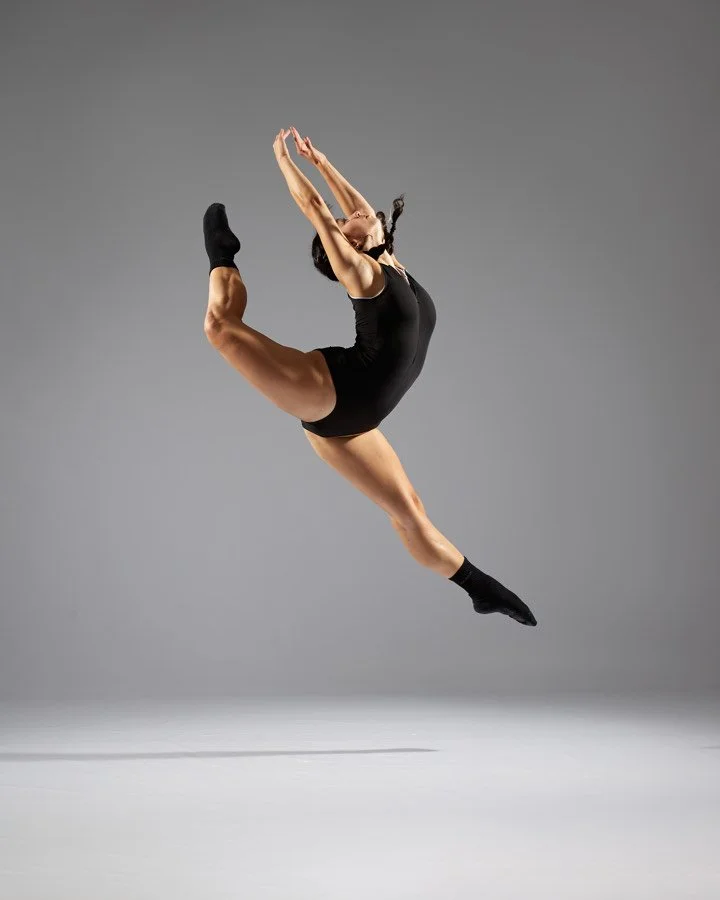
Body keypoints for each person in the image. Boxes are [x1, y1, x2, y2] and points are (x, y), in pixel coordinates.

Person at [202, 127, 537, 627]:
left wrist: (321, 161)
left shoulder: (391, 261)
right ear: (346, 246)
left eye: (350, 217)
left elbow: (359, 209)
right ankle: (222, 253)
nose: (351, 214)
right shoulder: (364, 275)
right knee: (220, 328)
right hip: (333, 391)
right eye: (342, 224)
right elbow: (315, 207)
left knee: (410, 512)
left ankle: (479, 588)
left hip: (357, 421)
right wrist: (284, 161)